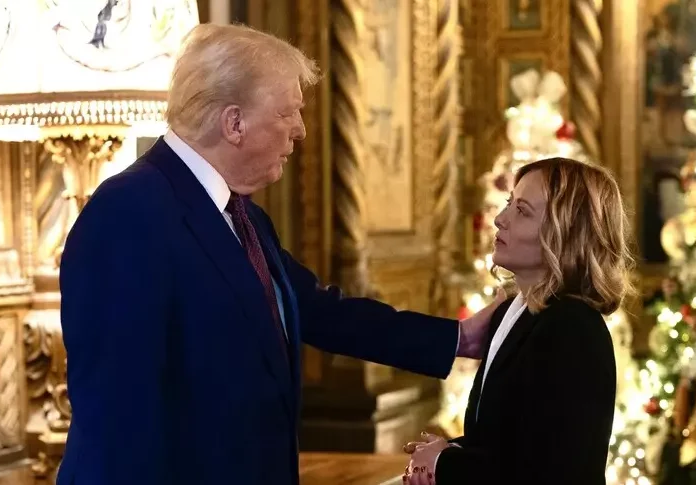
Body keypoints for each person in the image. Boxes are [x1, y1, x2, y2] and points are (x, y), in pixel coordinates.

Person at [56, 23, 500, 485]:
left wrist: (457, 339)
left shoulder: (240, 213)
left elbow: (320, 311)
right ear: (234, 123)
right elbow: (118, 414)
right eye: (288, 112)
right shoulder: (128, 213)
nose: (301, 131)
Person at [403, 157, 635, 485]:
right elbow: (509, 440)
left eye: (522, 211)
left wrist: (444, 464)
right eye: (509, 203)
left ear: (565, 233)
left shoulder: (573, 328)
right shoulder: (514, 312)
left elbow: (553, 471)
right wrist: (447, 451)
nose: (500, 219)